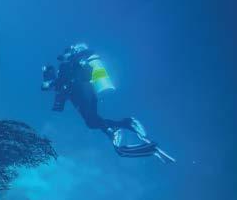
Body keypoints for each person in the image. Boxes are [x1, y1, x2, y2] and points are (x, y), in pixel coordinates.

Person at [41, 43, 175, 163]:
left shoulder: (67, 66)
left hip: (84, 92)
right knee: (92, 122)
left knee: (92, 121)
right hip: (84, 95)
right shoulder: (67, 69)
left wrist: (50, 83)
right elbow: (61, 89)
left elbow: (62, 82)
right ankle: (124, 125)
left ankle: (116, 129)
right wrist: (54, 86)